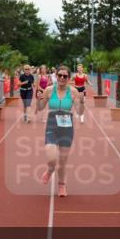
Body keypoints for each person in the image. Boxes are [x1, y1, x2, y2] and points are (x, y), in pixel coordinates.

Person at [37, 65, 85, 198]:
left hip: (67, 126)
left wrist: (82, 102)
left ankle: (62, 185)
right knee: (52, 158)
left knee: (63, 161)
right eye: (60, 75)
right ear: (56, 76)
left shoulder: (74, 92)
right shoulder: (48, 90)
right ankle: (50, 169)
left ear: (69, 78)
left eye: (65, 76)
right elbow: (40, 108)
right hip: (52, 125)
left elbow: (80, 111)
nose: (62, 78)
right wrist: (39, 99)